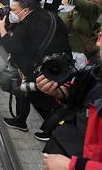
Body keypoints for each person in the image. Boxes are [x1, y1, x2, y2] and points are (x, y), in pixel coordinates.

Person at [0, 0, 72, 141]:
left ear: (25, 11)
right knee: (23, 90)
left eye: (13, 10)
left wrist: (1, 27)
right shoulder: (48, 15)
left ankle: (54, 132)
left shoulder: (28, 22)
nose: (10, 13)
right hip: (58, 65)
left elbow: (11, 46)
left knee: (43, 98)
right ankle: (20, 120)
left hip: (44, 69)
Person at [39, 25, 102, 170]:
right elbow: (76, 98)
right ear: (99, 38)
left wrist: (73, 166)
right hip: (67, 147)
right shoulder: (92, 72)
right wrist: (58, 92)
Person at [47, 0, 102, 67]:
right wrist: (66, 7)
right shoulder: (72, 7)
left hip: (85, 55)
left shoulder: (95, 7)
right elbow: (60, 26)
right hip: (66, 53)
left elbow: (76, 1)